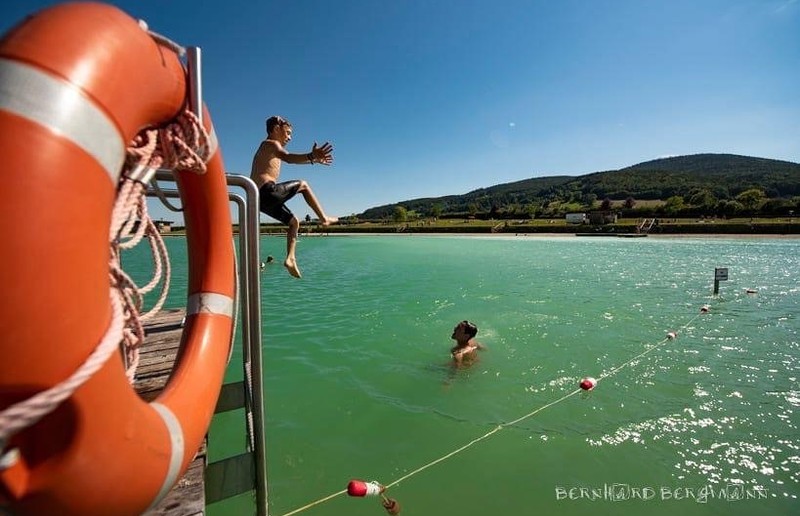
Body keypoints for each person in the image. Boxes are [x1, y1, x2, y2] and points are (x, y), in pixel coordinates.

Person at [251, 115, 337, 278]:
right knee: (303, 185)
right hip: (266, 191)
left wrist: (314, 160)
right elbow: (289, 158)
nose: (289, 138)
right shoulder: (270, 144)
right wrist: (311, 156)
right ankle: (323, 218)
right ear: (276, 129)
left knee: (294, 222)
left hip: (260, 200)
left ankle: (290, 259)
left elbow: (289, 158)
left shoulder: (268, 148)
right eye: (288, 133)